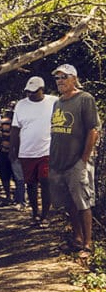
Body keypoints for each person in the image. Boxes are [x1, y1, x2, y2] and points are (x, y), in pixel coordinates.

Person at [49, 63, 100, 257]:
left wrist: (84, 160)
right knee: (69, 202)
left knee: (83, 202)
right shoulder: (58, 102)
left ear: (74, 79)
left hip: (77, 162)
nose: (60, 81)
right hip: (58, 162)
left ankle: (88, 243)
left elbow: (93, 130)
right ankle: (77, 238)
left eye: (64, 77)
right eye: (58, 78)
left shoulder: (85, 99)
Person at [12, 75, 56, 228]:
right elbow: (15, 129)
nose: (30, 94)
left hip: (47, 150)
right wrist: (13, 150)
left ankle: (45, 215)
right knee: (30, 184)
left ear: (42, 89)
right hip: (27, 151)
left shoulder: (53, 101)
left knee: (45, 181)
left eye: (34, 91)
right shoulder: (21, 105)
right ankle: (35, 213)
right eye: (28, 92)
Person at [0, 101, 24, 207]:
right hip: (5, 152)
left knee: (17, 177)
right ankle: (10, 197)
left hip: (16, 152)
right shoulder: (4, 122)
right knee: (5, 175)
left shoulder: (21, 122)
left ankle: (17, 198)